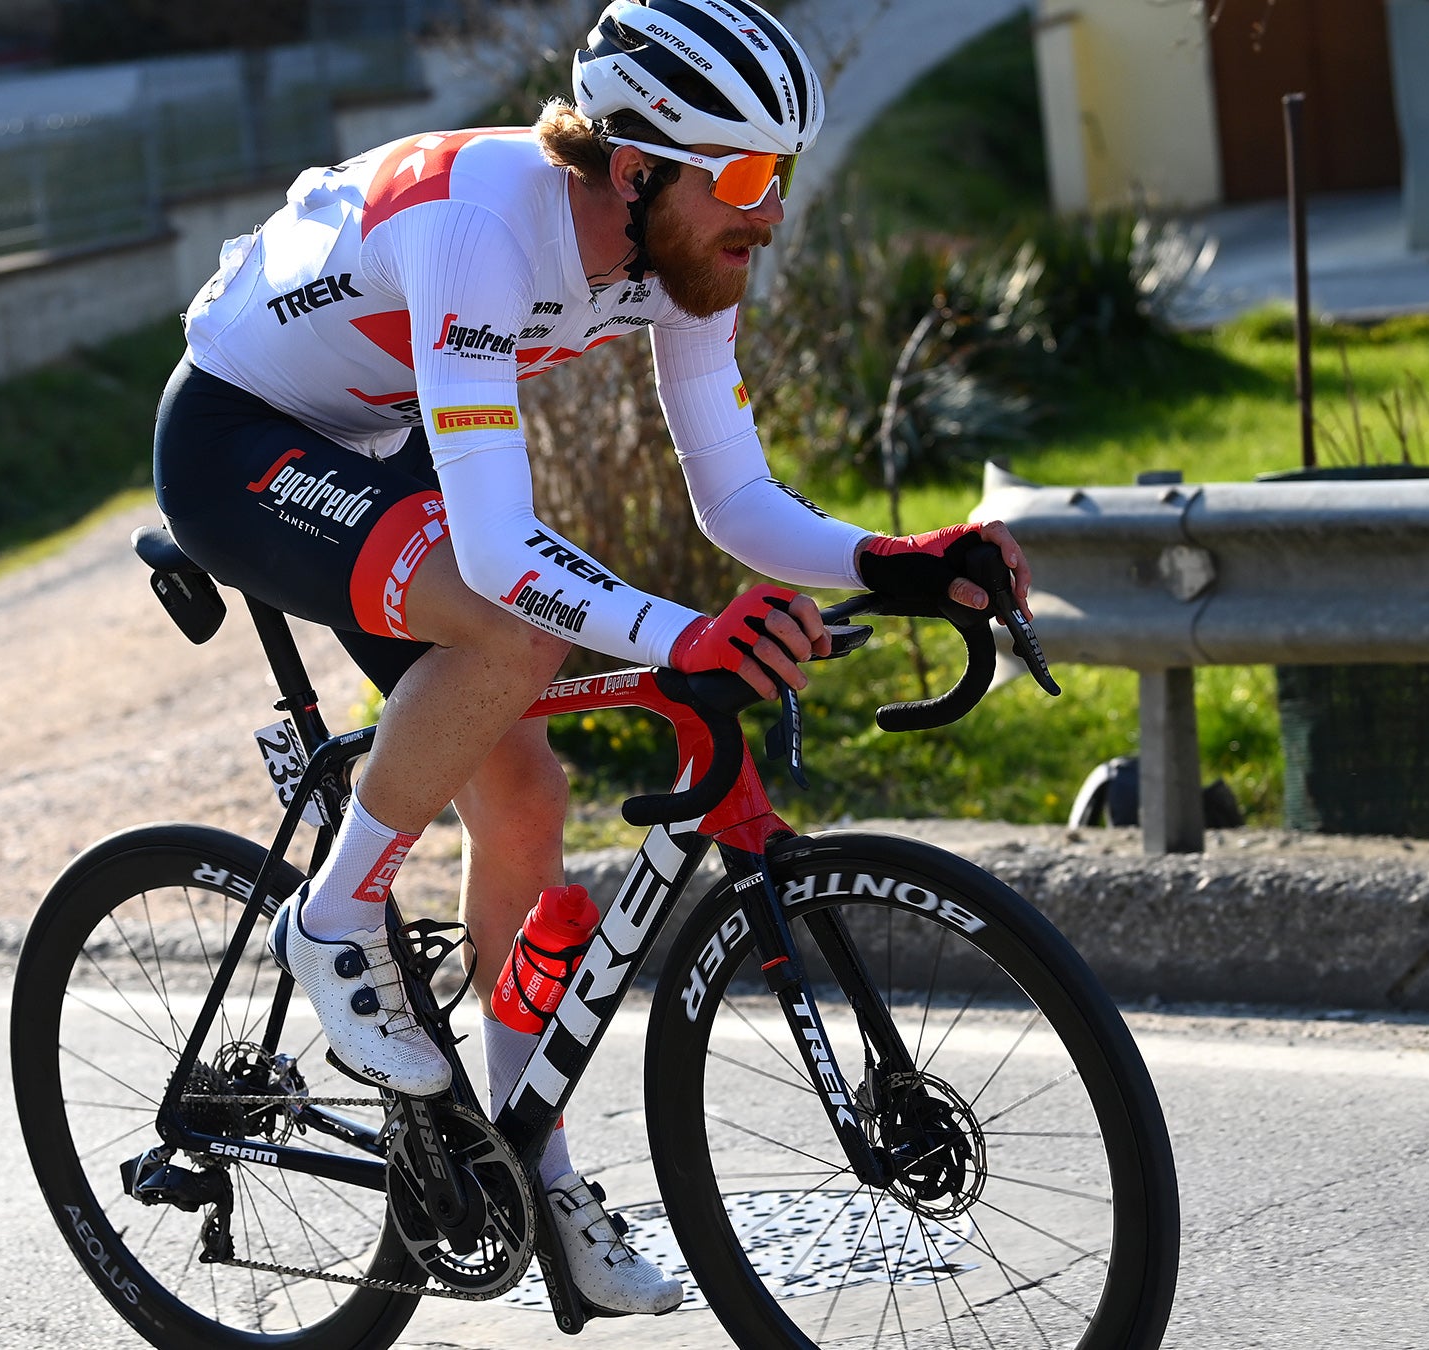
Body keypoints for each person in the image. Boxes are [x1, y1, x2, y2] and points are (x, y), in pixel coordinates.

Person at [153, 0, 1031, 1315]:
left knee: (524, 798)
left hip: (371, 451)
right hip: (240, 439)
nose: (770, 213)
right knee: (513, 629)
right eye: (743, 178)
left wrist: (895, 560)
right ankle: (330, 922)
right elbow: (505, 554)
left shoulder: (672, 254)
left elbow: (732, 498)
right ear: (636, 166)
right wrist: (687, 633)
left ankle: (532, 1166)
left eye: (779, 176)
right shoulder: (483, 227)